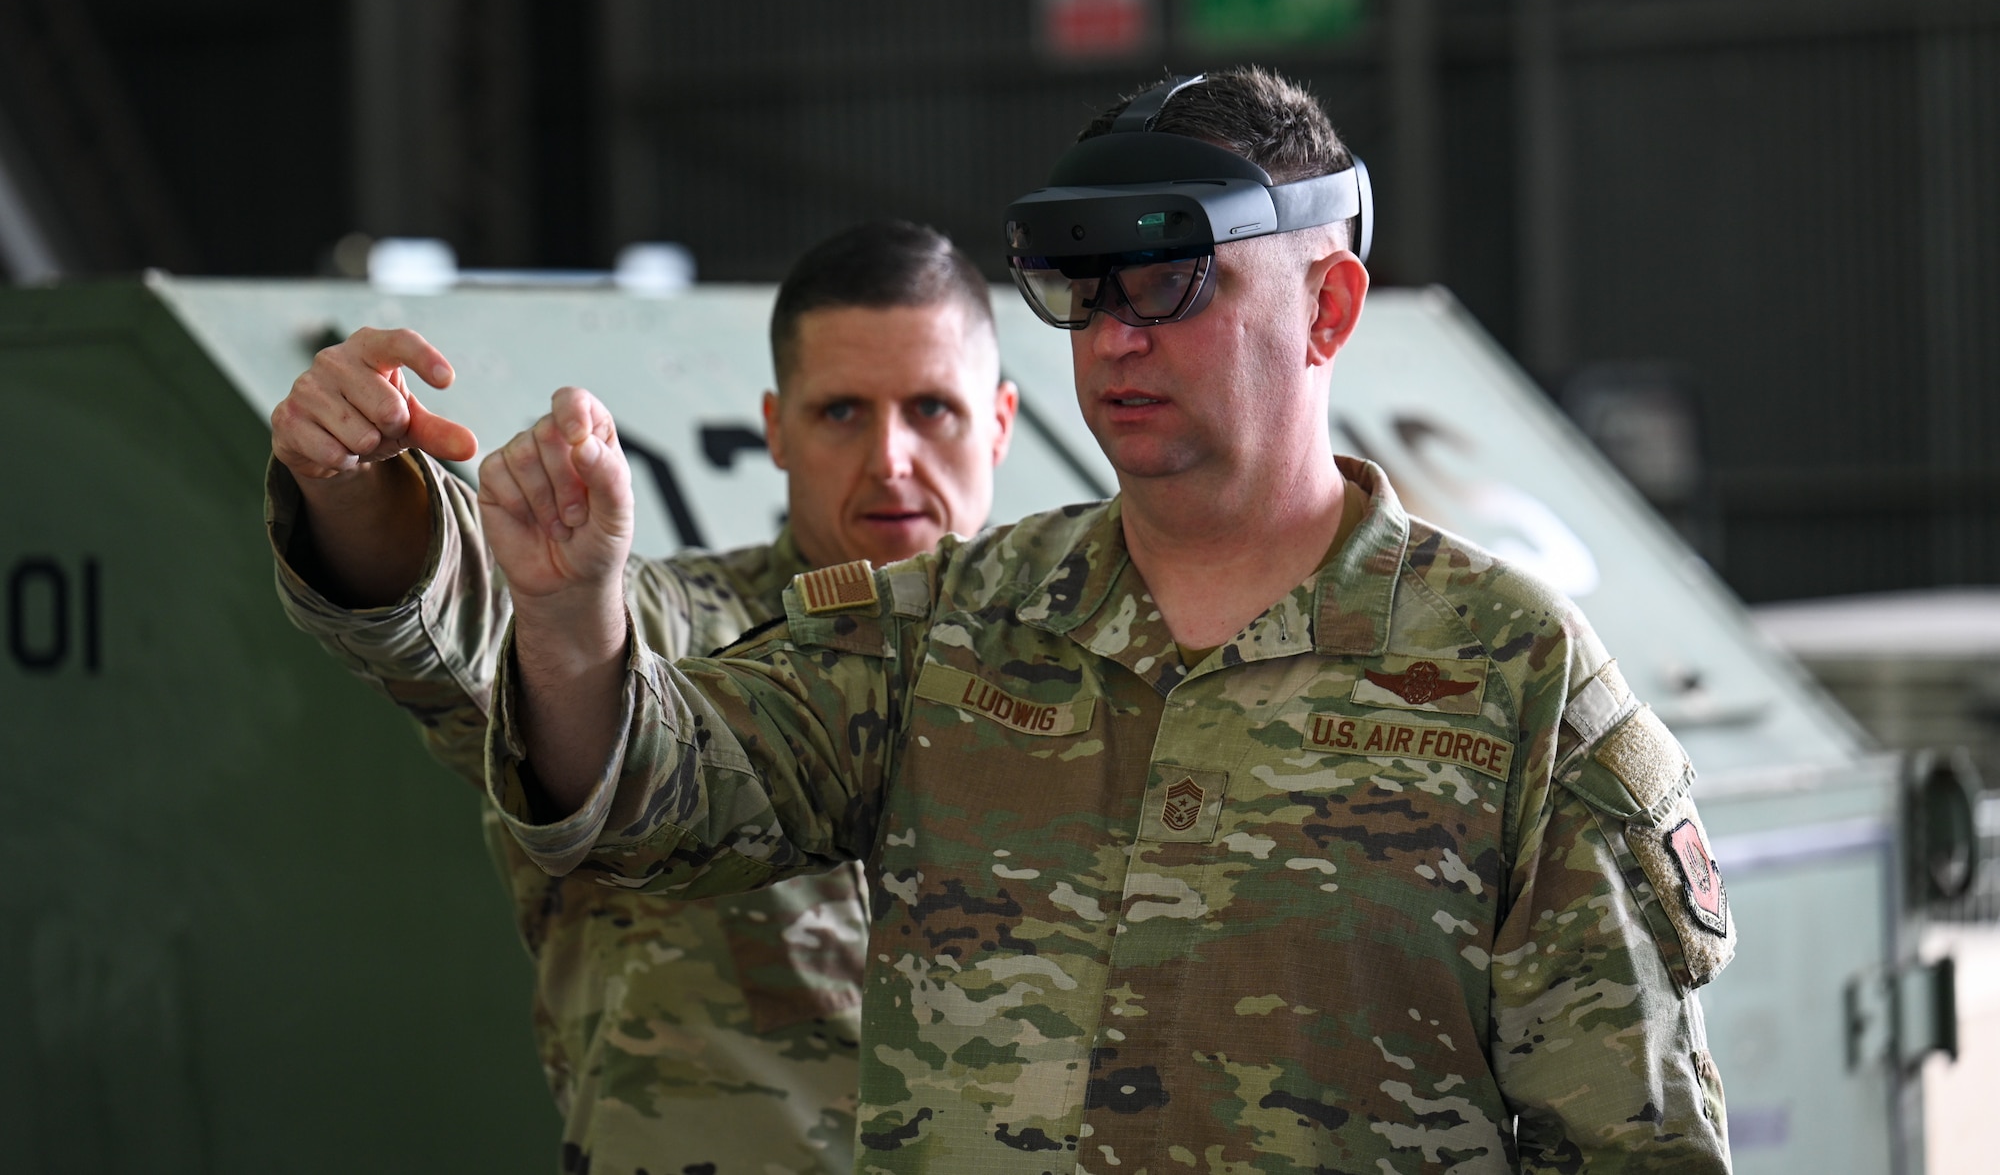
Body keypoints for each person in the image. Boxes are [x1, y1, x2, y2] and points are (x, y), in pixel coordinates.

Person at [485, 68, 1735, 1171]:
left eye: (1171, 281)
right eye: (1084, 294)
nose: (1118, 335)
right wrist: (567, 612)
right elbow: (649, 797)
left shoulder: (1510, 676)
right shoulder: (950, 629)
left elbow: (1633, 1144)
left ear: (1327, 310)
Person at [266, 220, 1018, 1174]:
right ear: (775, 428)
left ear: (998, 420)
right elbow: (506, 625)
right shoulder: (676, 633)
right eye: (841, 413)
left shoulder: (1079, 659)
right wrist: (357, 486)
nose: (892, 458)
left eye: (932, 409)